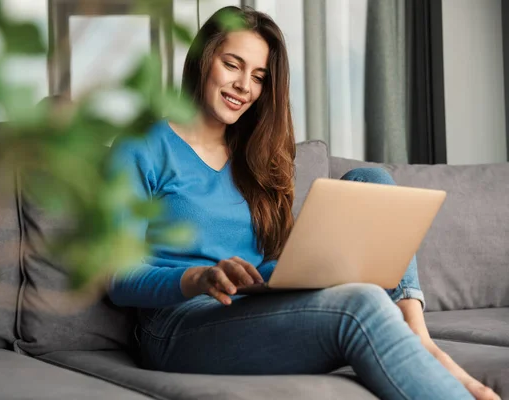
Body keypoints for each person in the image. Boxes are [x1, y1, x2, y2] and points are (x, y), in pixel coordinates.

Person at [107, 6, 499, 400]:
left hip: (249, 307)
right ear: (203, 59)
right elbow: (117, 279)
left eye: (258, 77)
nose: (244, 86)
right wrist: (196, 278)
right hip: (177, 325)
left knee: (374, 183)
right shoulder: (143, 145)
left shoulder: (252, 156)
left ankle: (420, 338)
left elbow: (261, 270)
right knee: (360, 302)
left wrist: (313, 265)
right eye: (232, 65)